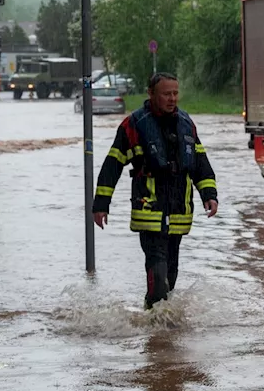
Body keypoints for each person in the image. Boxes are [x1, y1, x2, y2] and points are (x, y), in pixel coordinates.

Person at [91, 72, 219, 310]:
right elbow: (113, 164)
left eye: (175, 93)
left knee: (171, 273)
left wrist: (209, 195)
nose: (172, 99)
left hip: (179, 212)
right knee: (158, 273)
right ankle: (154, 327)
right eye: (166, 94)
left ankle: (161, 330)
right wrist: (101, 204)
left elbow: (200, 163)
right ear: (151, 94)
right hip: (149, 211)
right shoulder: (134, 125)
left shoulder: (186, 123)